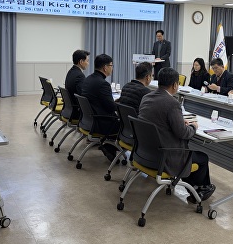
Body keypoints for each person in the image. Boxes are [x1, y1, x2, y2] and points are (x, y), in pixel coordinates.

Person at [138, 67, 215, 203]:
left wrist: (179, 121)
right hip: (164, 157)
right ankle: (200, 190)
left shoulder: (147, 97)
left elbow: (159, 120)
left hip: (146, 152)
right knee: (202, 158)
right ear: (175, 85)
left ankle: (193, 188)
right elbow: (183, 133)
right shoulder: (172, 103)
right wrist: (193, 126)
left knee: (190, 155)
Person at [80, 54, 120, 161]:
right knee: (125, 123)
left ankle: (109, 146)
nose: (112, 68)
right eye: (111, 65)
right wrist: (120, 104)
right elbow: (111, 107)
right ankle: (110, 147)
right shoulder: (103, 84)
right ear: (105, 67)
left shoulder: (88, 79)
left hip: (88, 120)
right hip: (100, 122)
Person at [65, 49, 90, 118]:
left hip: (69, 108)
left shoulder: (71, 71)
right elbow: (83, 95)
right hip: (77, 111)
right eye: (87, 61)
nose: (88, 63)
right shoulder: (79, 75)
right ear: (81, 62)